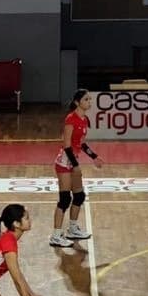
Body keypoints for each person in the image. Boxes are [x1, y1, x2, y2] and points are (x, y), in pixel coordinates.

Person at [50, 90, 103, 247]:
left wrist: (94, 157)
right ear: (77, 102)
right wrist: (75, 165)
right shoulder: (70, 119)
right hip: (65, 162)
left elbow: (82, 143)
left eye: (90, 99)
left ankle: (72, 229)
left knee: (79, 196)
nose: (89, 102)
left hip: (74, 160)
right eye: (86, 99)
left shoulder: (84, 119)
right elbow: (67, 145)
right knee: (65, 199)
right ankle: (56, 235)